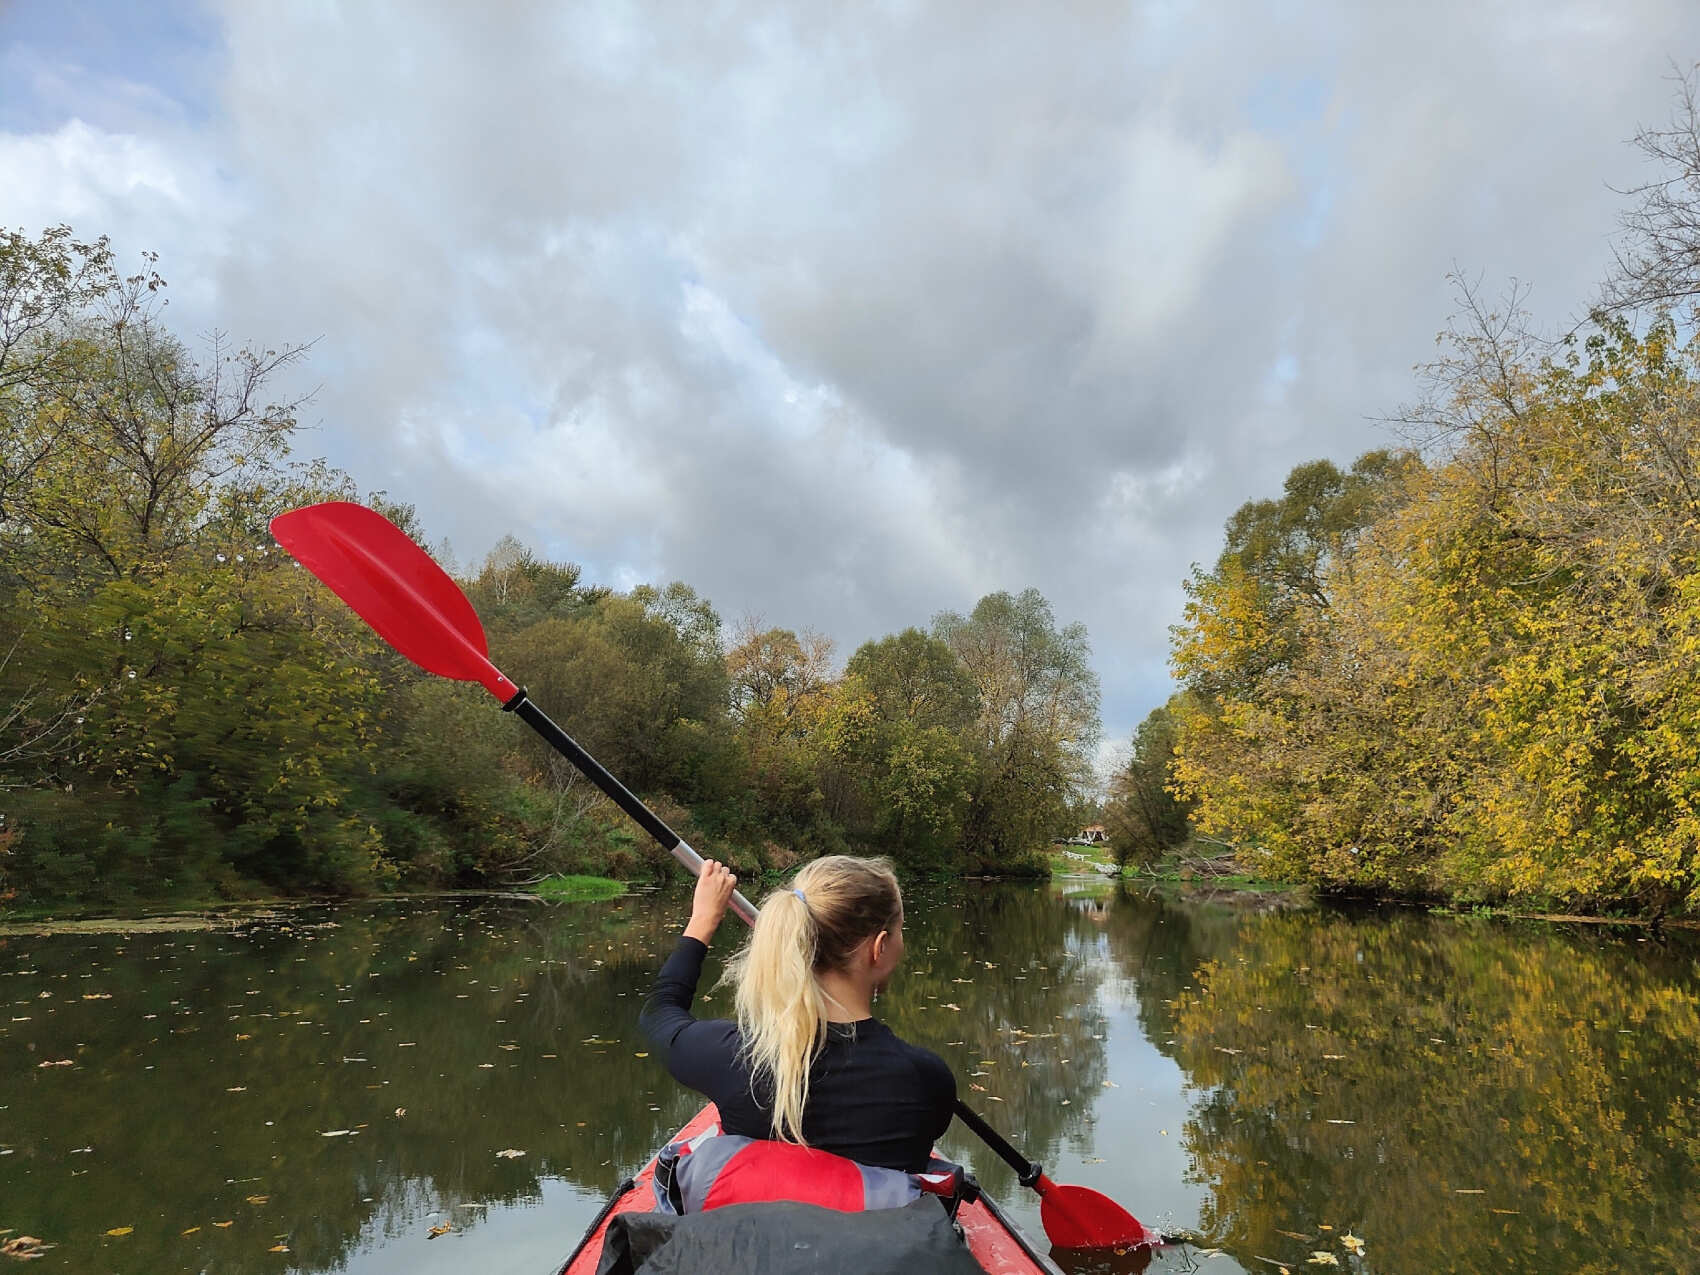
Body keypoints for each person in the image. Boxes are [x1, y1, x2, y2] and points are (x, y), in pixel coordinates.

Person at [639, 855, 955, 1174]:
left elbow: (659, 1011)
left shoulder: (735, 1060)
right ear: (880, 947)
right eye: (901, 931)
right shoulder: (927, 1080)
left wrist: (703, 921)